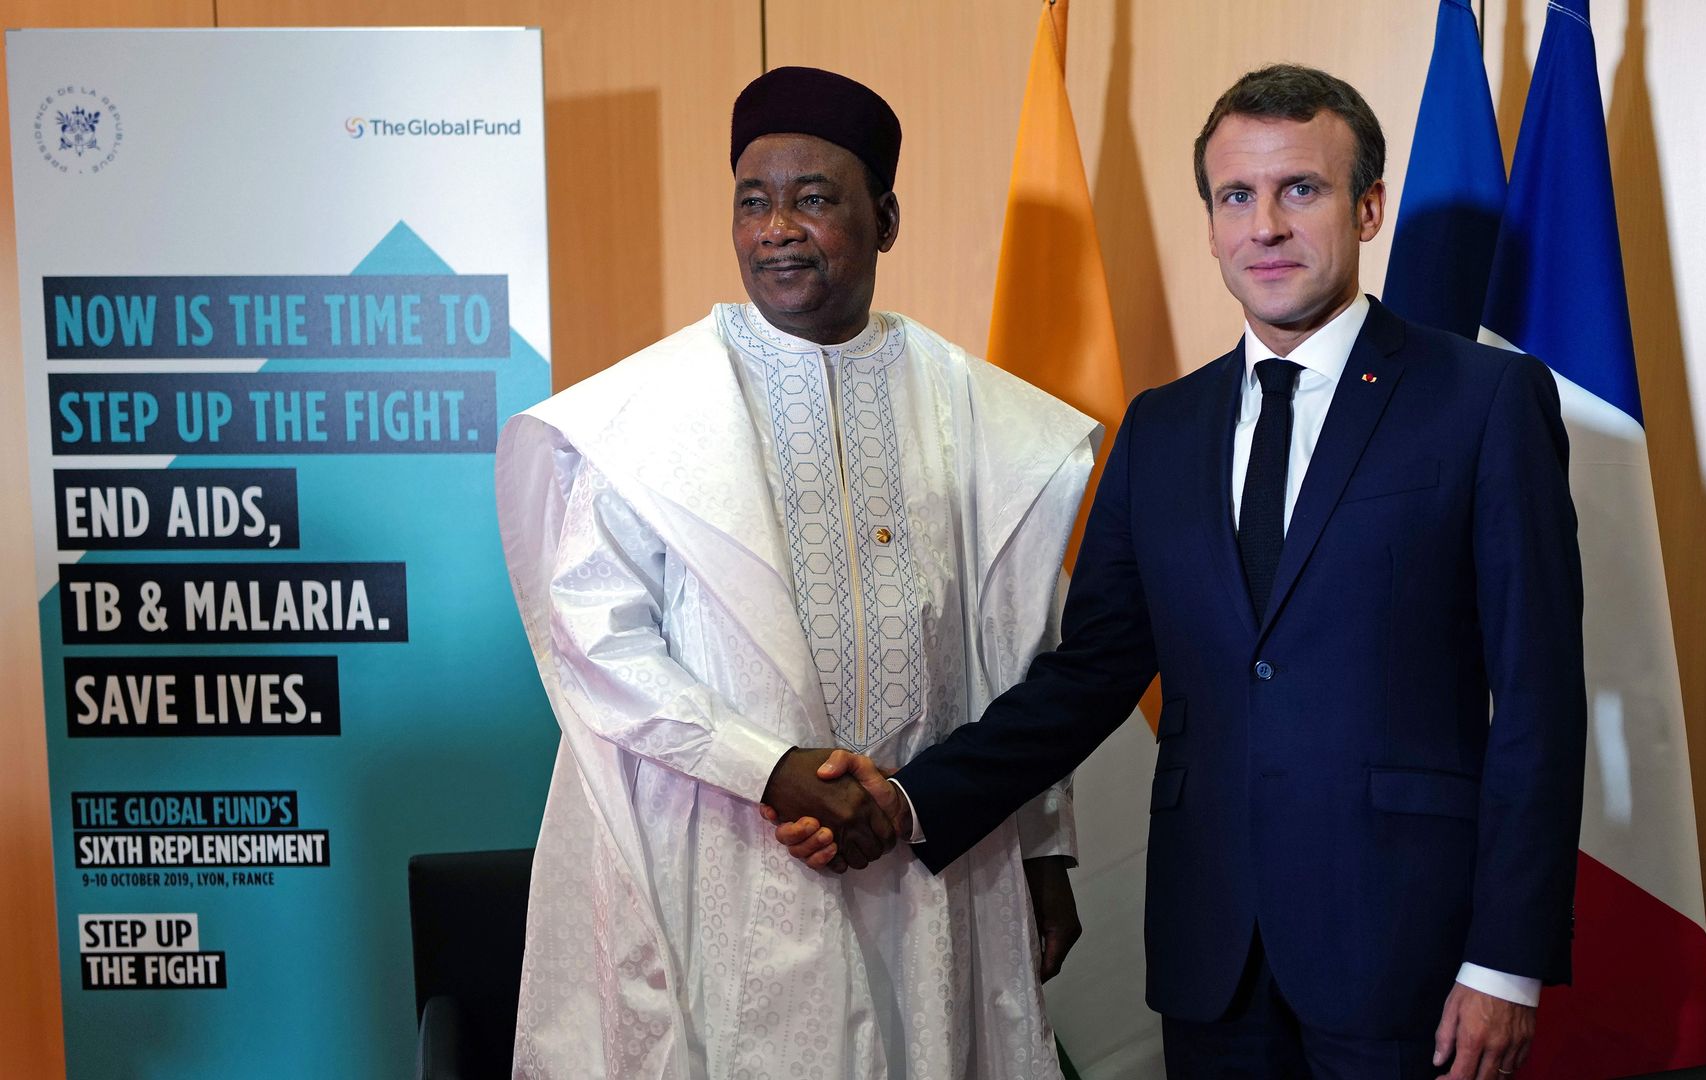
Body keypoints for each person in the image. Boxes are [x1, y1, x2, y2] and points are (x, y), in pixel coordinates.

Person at [775, 64, 1587, 1080]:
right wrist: (908, 798)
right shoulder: (1162, 428)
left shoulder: (1483, 400)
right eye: (1236, 197)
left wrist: (1506, 961)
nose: (1266, 227)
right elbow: (1091, 675)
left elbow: (1541, 698)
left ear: (1368, 208)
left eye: (1301, 189)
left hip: (1411, 956)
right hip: (1214, 961)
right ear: (1209, 225)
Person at [495, 66, 1097, 1079]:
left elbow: (1020, 654)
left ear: (885, 219)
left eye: (813, 198)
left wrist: (1041, 852)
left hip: (926, 855)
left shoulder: (978, 413)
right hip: (726, 848)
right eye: (752, 202)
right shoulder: (649, 414)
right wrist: (765, 767)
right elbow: (596, 641)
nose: (777, 228)